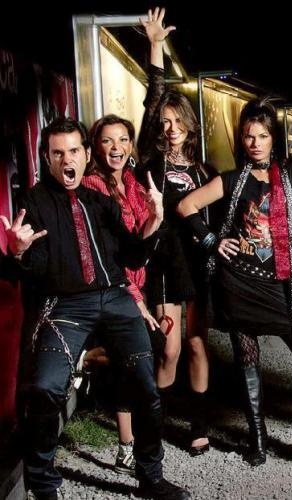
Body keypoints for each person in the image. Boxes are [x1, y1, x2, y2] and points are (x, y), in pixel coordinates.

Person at [0, 117, 189, 500]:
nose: (67, 160)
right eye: (57, 153)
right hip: (67, 305)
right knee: (45, 388)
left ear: (86, 155)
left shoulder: (101, 202)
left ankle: (150, 478)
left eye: (73, 151)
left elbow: (133, 257)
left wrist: (154, 220)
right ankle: (44, 486)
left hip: (116, 297)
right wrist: (17, 253)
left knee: (146, 388)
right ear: (47, 159)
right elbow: (35, 268)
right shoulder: (34, 202)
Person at [177, 96, 292, 466]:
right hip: (238, 282)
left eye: (263, 136)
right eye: (249, 136)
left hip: (280, 282)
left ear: (274, 138)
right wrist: (212, 240)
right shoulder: (231, 179)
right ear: (242, 139)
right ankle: (257, 437)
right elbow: (186, 206)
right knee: (247, 359)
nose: (255, 143)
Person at [137, 7, 212, 456]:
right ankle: (157, 425)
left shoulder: (204, 170)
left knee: (199, 345)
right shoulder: (152, 162)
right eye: (164, 122)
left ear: (188, 124)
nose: (170, 128)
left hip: (198, 263)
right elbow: (154, 98)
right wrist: (155, 47)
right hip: (165, 263)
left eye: (176, 121)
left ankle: (199, 425)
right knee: (169, 349)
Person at [81, 114, 160, 475]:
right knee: (129, 359)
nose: (117, 148)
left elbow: (140, 243)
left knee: (135, 357)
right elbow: (108, 254)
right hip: (112, 286)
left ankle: (83, 360)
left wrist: (156, 215)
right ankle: (127, 446)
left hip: (136, 281)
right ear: (95, 148)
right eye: (107, 140)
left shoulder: (133, 181)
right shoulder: (92, 186)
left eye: (123, 140)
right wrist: (136, 300)